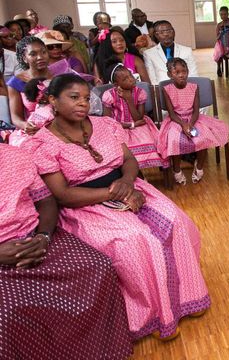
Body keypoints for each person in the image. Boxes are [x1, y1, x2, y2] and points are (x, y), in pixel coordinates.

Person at [25, 73, 210, 340]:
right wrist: (114, 193)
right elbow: (62, 194)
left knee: (176, 221)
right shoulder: (43, 142)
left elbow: (129, 160)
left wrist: (126, 181)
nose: (82, 104)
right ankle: (155, 313)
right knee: (136, 240)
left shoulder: (105, 125)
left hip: (128, 186)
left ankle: (187, 296)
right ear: (52, 100)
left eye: (87, 98)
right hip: (86, 204)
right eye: (74, 98)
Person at [0, 144, 132, 360]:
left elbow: (46, 201)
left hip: (34, 237)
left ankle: (101, 353)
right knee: (6, 315)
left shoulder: (16, 156)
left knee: (99, 267)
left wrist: (43, 236)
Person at [157, 58, 229, 184]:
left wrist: (190, 124)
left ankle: (200, 167)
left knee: (203, 137)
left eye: (184, 71)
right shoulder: (167, 89)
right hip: (176, 120)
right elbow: (172, 113)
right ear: (170, 75)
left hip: (194, 118)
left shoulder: (194, 87)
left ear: (188, 72)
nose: (181, 75)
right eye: (177, 72)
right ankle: (176, 169)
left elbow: (196, 110)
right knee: (174, 139)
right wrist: (183, 125)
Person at [101, 61, 168, 170]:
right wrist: (131, 124)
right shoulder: (109, 95)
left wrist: (129, 99)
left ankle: (140, 174)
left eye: (130, 75)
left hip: (139, 125)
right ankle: (136, 174)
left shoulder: (140, 92)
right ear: (116, 85)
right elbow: (107, 122)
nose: (131, 79)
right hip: (118, 127)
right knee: (124, 148)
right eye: (125, 79)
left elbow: (139, 118)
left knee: (149, 141)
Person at [7, 36, 54, 145]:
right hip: (34, 130)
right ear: (24, 58)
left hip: (61, 127)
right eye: (33, 54)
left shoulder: (60, 75)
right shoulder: (16, 82)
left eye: (43, 52)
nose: (40, 57)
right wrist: (25, 125)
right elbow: (16, 117)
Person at [143, 20, 198, 84]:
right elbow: (152, 78)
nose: (166, 34)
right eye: (162, 32)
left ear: (174, 32)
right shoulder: (149, 54)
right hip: (162, 89)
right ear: (156, 35)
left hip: (184, 87)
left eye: (169, 31)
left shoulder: (187, 51)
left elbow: (193, 74)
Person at [215, 6, 229, 77]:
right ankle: (219, 67)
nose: (223, 16)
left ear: (228, 14)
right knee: (218, 48)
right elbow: (217, 38)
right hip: (222, 44)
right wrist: (221, 33)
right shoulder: (219, 25)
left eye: (224, 14)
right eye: (221, 14)